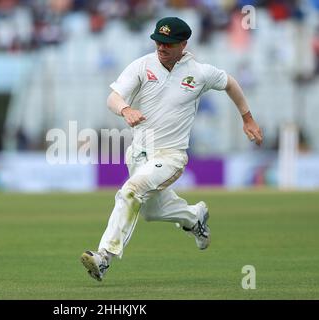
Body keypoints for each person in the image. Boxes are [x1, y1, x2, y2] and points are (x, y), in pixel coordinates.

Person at [80, 17, 263, 281]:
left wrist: (247, 117)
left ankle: (103, 257)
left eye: (168, 43)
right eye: (158, 41)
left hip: (170, 155)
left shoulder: (199, 73)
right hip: (138, 153)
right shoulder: (143, 65)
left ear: (183, 44)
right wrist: (126, 109)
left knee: (130, 191)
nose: (161, 47)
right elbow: (113, 97)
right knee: (151, 212)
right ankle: (194, 217)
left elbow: (230, 83)